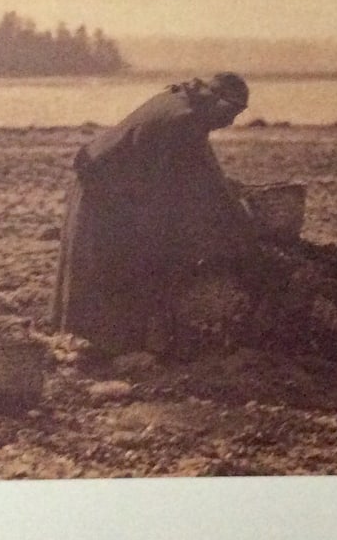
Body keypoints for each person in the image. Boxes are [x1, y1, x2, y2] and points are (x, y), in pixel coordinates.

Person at [51, 72, 258, 356]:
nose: (231, 121)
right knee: (101, 261)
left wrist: (229, 191)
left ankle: (102, 339)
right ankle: (98, 343)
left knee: (111, 258)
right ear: (217, 99)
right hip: (101, 184)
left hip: (110, 178)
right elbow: (189, 182)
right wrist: (240, 220)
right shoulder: (184, 119)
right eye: (232, 112)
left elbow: (202, 168)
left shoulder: (185, 102)